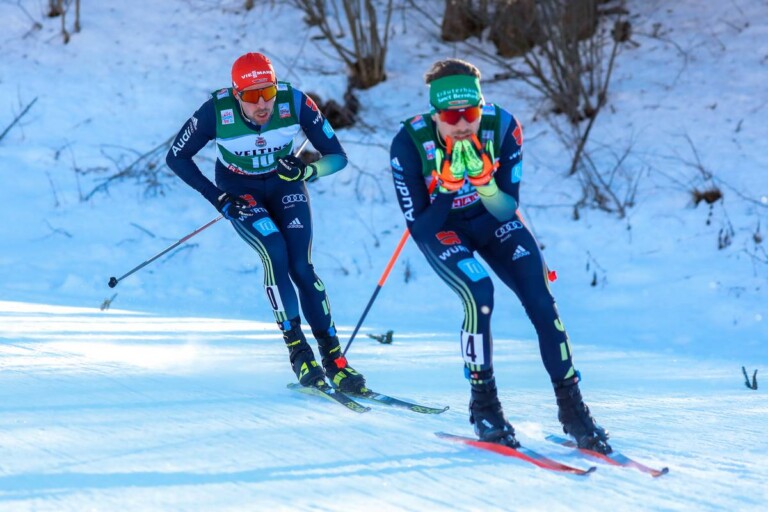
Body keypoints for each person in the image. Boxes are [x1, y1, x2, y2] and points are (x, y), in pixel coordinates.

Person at [389, 58, 611, 453]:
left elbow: (507, 209)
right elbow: (420, 230)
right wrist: (447, 187)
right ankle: (484, 405)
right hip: (443, 228)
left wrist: (484, 184)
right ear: (435, 114)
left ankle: (573, 409)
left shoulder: (503, 127)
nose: (462, 125)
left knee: (542, 301)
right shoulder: (408, 143)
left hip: (493, 221)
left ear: (481, 107)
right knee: (479, 292)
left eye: (470, 113)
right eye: (451, 116)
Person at [165, 52, 366, 394]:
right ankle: (299, 353)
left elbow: (338, 157)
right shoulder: (216, 112)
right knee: (274, 250)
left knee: (302, 267)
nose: (262, 105)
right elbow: (176, 157)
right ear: (236, 94)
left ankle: (335, 361)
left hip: (284, 183)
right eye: (251, 97)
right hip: (239, 189)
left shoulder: (295, 102)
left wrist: (307, 170)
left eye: (268, 94)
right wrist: (216, 197)